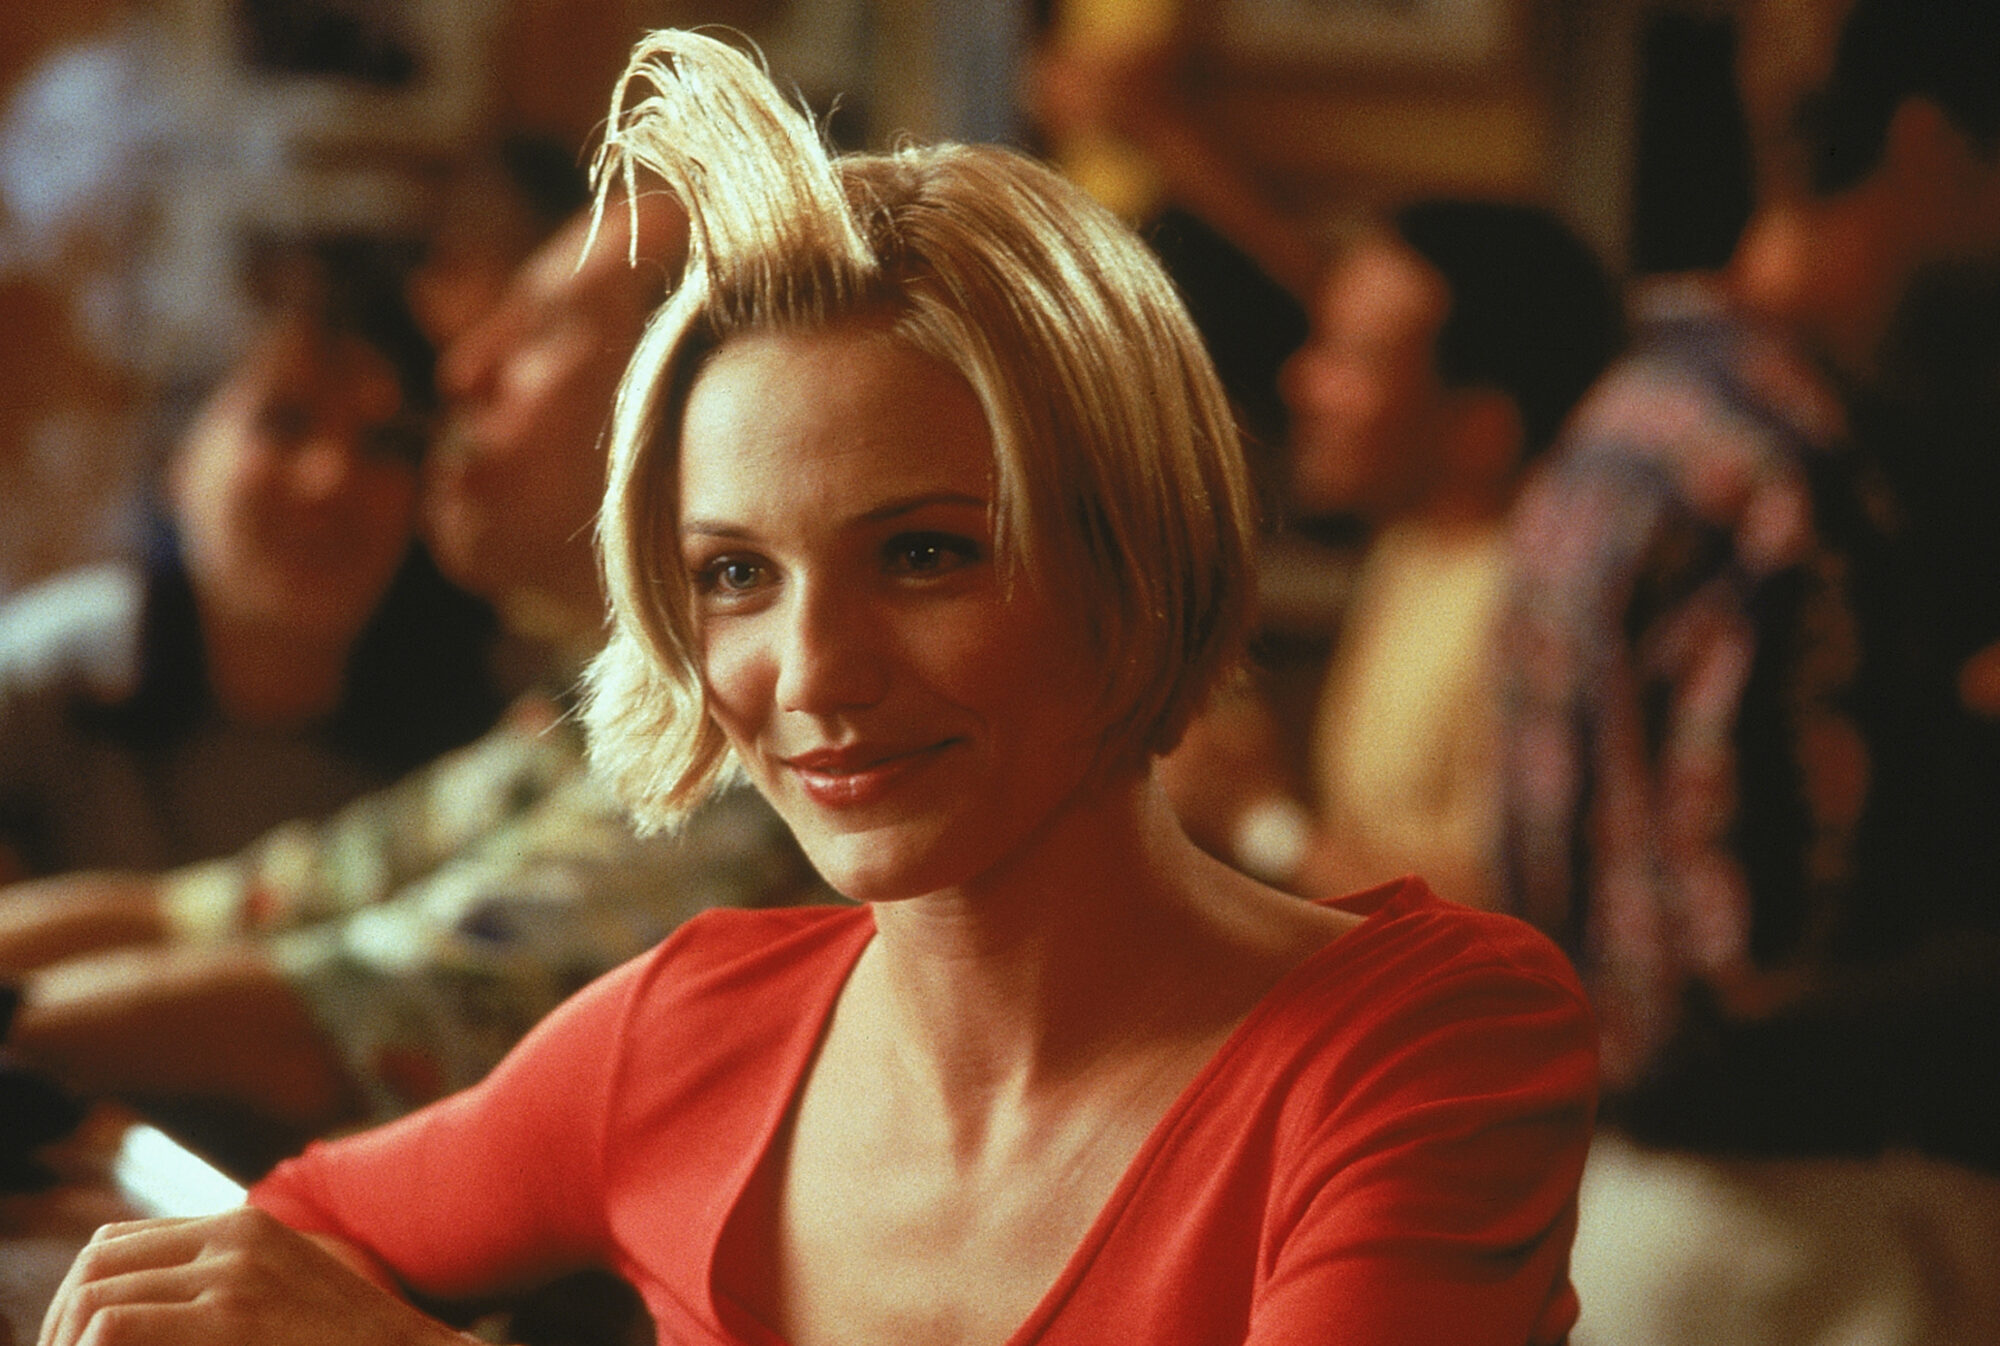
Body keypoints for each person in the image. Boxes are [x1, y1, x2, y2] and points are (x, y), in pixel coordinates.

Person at [43, 30, 1596, 1346]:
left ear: (1135, 551)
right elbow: (284, 1249)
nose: (814, 671)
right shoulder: (685, 1033)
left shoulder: (1424, 1041)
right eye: (735, 573)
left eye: (924, 553)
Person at [0, 187, 822, 1163]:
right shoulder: (589, 706)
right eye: (284, 424)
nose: (463, 372)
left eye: (539, 331)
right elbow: (224, 910)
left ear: (695, 404)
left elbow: (329, 1023)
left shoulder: (759, 742)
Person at [1498, 0, 2000, 1339]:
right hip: (1771, 1246)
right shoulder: (1785, 482)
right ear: (1932, 148)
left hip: (1617, 1207)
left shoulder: (1638, 416)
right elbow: (1749, 978)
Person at [0, 236, 501, 884]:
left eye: (386, 443)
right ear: (177, 457)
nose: (330, 480)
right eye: (284, 423)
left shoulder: (489, 736)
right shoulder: (43, 682)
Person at [1164, 200, 1621, 910]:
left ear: (1481, 429)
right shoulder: (1414, 542)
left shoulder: (1534, 607)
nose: (1302, 382)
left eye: (1356, 359)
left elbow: (1504, 911)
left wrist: (1257, 824)